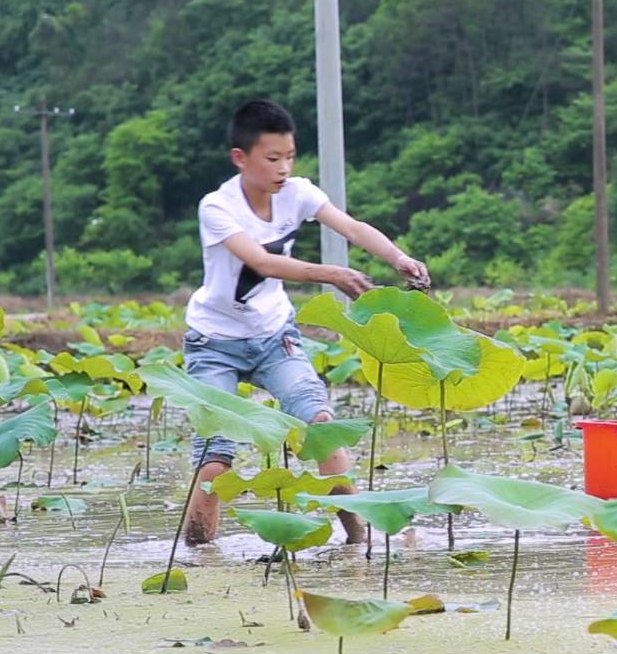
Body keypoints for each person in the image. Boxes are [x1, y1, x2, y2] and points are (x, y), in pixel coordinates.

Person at [181, 99, 430, 545]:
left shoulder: (298, 193)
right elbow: (261, 261)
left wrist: (398, 257)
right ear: (241, 158)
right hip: (213, 342)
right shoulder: (216, 207)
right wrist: (333, 274)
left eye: (290, 157)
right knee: (217, 457)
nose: (283, 168)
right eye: (272, 158)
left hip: (275, 336)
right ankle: (198, 553)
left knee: (320, 424)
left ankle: (360, 541)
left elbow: (352, 228)